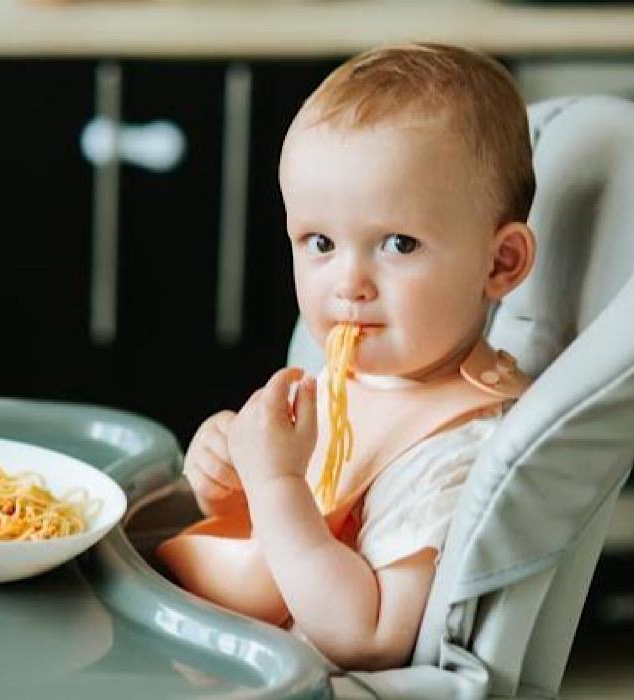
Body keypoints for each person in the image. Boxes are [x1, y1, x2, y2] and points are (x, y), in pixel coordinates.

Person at [159, 42, 537, 672]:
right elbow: (292, 532)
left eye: (398, 243)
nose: (348, 282)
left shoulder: (457, 449)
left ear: (500, 263)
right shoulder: (353, 378)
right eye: (321, 242)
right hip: (202, 637)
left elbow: (369, 636)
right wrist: (234, 481)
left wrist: (276, 484)